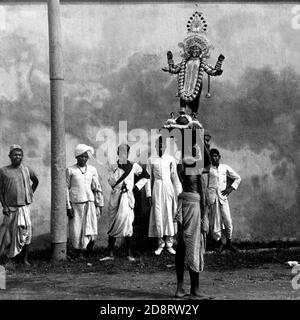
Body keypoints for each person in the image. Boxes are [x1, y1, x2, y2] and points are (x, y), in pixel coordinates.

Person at [102, 144, 149, 262]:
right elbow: (110, 180)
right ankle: (110, 252)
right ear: (118, 153)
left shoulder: (133, 166)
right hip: (115, 197)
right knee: (112, 222)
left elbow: (146, 176)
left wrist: (136, 187)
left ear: (128, 153)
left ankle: (129, 253)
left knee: (128, 224)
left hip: (127, 197)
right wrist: (116, 182)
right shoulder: (113, 166)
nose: (123, 154)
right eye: (121, 152)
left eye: (125, 152)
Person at [175, 142, 209, 299]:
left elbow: (203, 197)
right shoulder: (182, 168)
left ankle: (194, 289)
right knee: (182, 246)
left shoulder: (197, 171)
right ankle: (180, 288)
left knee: (194, 247)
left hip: (195, 207)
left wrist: (204, 216)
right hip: (185, 206)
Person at [0, 145, 39, 265]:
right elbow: (0, 190)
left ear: (22, 156)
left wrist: (30, 194)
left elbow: (35, 180)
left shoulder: (26, 169)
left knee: (25, 234)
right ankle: (5, 259)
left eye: (20, 155)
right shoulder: (3, 171)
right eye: (15, 155)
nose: (18, 157)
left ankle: (23, 259)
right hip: (10, 209)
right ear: (10, 156)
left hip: (24, 208)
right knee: (7, 235)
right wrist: (4, 206)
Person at [66, 144, 104, 258]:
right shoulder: (70, 170)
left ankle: (89, 252)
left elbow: (97, 187)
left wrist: (99, 203)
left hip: (90, 202)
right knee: (77, 228)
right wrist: (68, 207)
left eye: (85, 157)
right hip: (76, 203)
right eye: (81, 157)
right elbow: (65, 188)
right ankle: (79, 253)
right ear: (76, 157)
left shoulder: (92, 169)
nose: (83, 159)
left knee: (91, 227)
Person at [146, 137, 182, 255]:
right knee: (158, 214)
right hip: (157, 187)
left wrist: (179, 192)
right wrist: (149, 194)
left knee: (169, 213)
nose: (161, 148)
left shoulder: (170, 159)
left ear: (165, 147)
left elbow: (175, 176)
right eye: (158, 146)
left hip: (168, 187)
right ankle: (160, 244)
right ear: (156, 147)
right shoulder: (151, 160)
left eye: (163, 146)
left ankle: (169, 243)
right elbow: (148, 178)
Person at [206, 148, 241, 253]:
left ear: (219, 157)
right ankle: (220, 243)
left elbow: (237, 178)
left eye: (216, 156)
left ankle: (229, 243)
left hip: (223, 198)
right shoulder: (208, 169)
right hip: (213, 199)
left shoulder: (224, 167)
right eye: (212, 156)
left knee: (228, 221)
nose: (214, 158)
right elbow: (205, 184)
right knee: (215, 222)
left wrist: (230, 188)